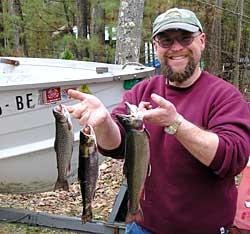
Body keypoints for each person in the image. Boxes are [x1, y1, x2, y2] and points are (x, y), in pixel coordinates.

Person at [67, 7, 250, 234]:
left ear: (202, 41)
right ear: (155, 46)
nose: (176, 47)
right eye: (166, 40)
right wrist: (104, 122)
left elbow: (233, 159)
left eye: (185, 38)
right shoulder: (143, 90)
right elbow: (117, 145)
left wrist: (176, 124)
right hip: (143, 226)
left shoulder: (225, 96)